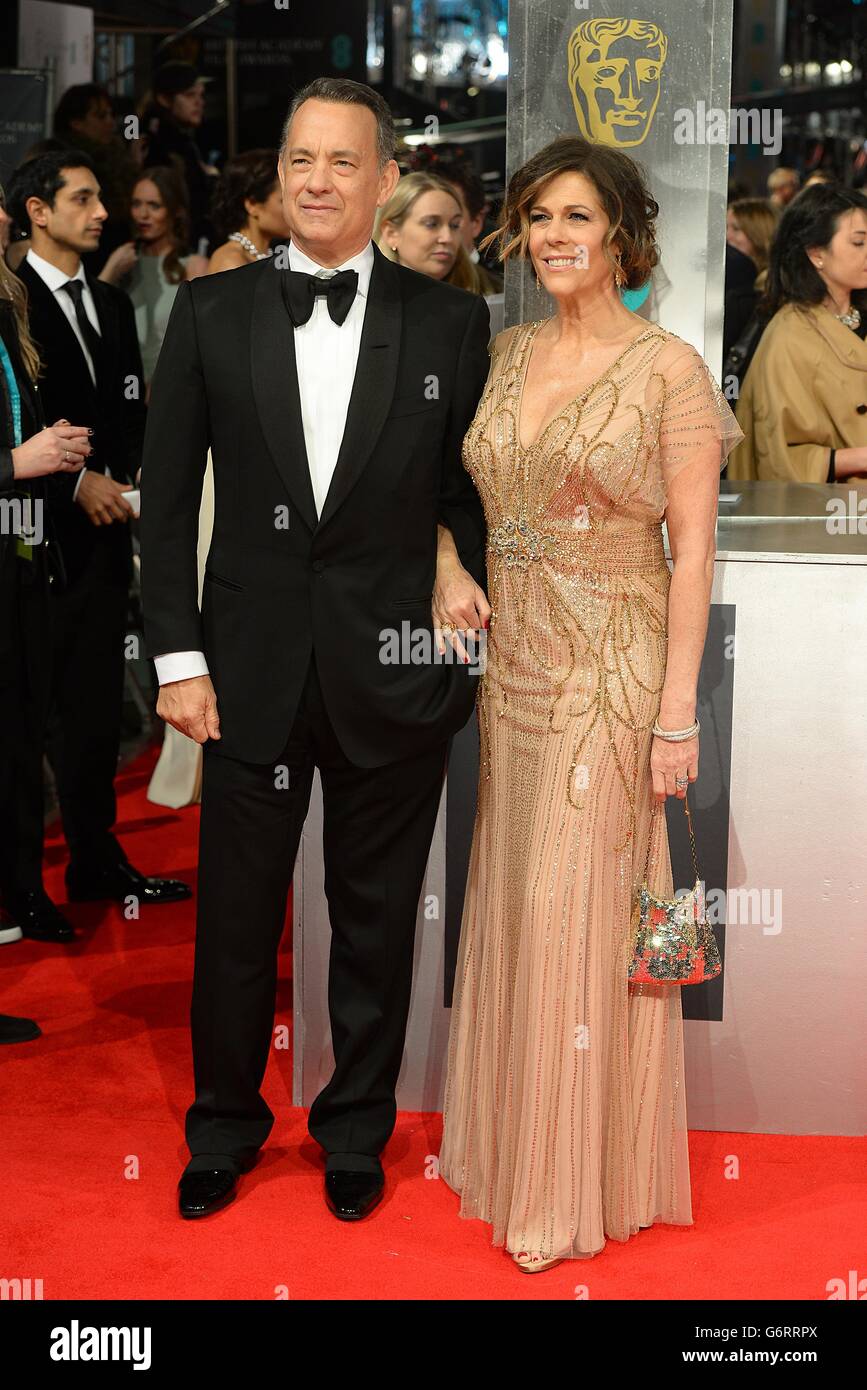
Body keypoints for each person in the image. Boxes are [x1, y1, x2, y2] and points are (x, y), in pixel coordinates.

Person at [139, 77, 490, 1222]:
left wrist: (449, 563)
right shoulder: (210, 309)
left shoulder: (449, 322)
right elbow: (162, 503)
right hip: (243, 670)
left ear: (386, 181)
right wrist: (176, 660)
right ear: (277, 173)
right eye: (299, 159)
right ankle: (224, 1126)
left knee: (378, 917)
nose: (318, 180)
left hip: (392, 666)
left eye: (344, 161)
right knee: (236, 918)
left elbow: (463, 495)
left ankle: (354, 1129)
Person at [434, 134, 743, 1270]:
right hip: (509, 670)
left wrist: (676, 716)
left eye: (575, 217)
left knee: (578, 913)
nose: (553, 237)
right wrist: (443, 564)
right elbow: (449, 490)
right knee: (522, 906)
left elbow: (694, 560)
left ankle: (565, 1194)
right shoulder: (505, 351)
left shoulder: (668, 368)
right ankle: (520, 1149)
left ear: (620, 233)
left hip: (608, 678)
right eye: (536, 218)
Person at [4, 151, 189, 940]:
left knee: (93, 710)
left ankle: (93, 856)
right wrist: (74, 486)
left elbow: (126, 407)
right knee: (28, 716)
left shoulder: (110, 304)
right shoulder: (13, 306)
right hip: (37, 538)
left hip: (112, 533)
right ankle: (23, 886)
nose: (103, 211)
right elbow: (27, 427)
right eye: (83, 198)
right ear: (38, 211)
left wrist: (137, 468)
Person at [0, 177, 91, 1032]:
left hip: (21, 567)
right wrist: (16, 463)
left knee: (20, 751)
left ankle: (17, 895)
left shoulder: (6, 311)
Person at [728, 184, 867, 482]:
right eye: (859, 243)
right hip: (830, 516)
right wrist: (858, 457)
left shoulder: (857, 317)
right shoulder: (789, 336)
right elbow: (776, 455)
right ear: (816, 254)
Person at [98, 166, 208, 385]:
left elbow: (201, 346)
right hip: (122, 389)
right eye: (136, 204)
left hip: (173, 389)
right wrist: (110, 271)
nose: (143, 215)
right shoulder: (123, 262)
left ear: (175, 211)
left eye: (154, 206)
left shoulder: (194, 266)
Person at [52, 82, 139, 273]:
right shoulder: (67, 164)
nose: (111, 122)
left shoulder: (117, 157)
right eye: (100, 116)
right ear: (76, 123)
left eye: (110, 114)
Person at [140, 62, 218, 255]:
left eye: (201, 95)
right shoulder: (157, 142)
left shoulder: (183, 139)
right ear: (165, 99)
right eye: (190, 95)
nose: (200, 102)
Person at [375, 171, 483, 292]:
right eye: (431, 224)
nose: (447, 238)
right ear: (391, 233)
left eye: (454, 225)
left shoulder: (493, 295)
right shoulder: (362, 301)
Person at [207, 149, 290, 271]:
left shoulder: (275, 256)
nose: (293, 208)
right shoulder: (230, 262)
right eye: (283, 201)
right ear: (252, 205)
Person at [723, 197, 778, 357]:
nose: (727, 236)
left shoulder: (769, 290)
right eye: (726, 227)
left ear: (759, 234)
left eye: (736, 229)